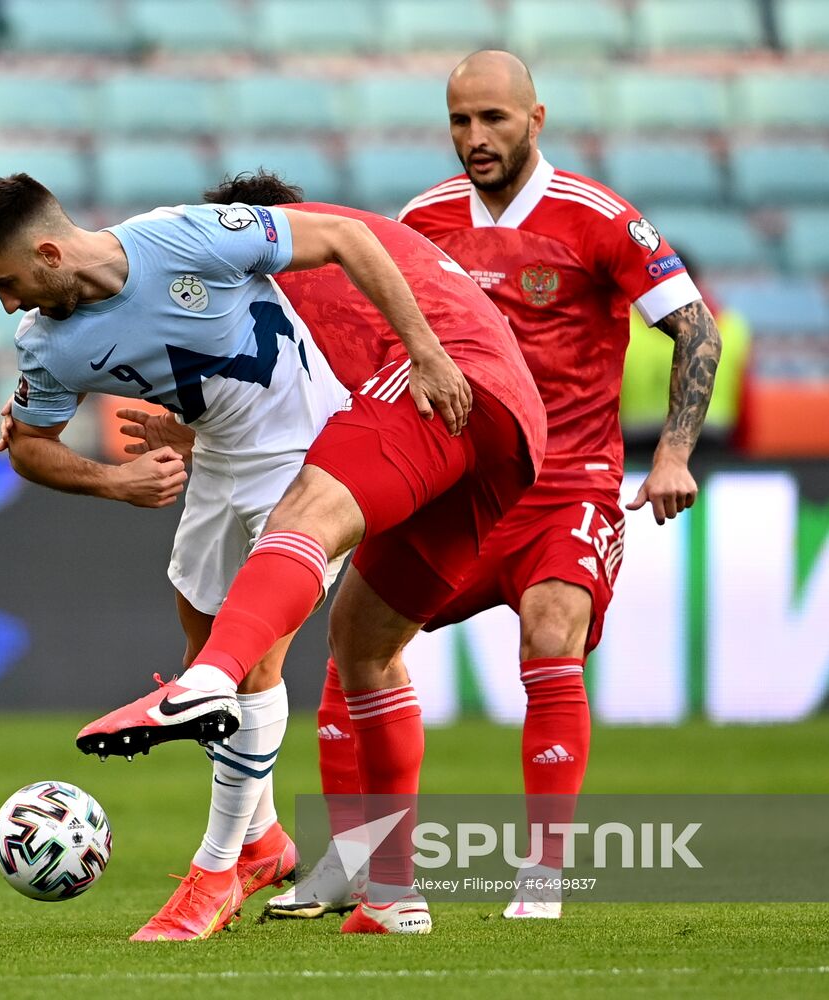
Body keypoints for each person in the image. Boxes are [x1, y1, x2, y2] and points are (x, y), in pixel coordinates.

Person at [0, 173, 474, 940]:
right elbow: (29, 448)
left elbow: (347, 238)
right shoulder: (47, 344)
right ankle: (262, 841)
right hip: (222, 462)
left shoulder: (185, 236)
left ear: (51, 251)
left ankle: (214, 873)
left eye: (7, 281)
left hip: (306, 457)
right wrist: (115, 482)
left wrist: (423, 352)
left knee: (246, 668)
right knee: (203, 661)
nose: (7, 304)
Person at [280, 49, 721, 921]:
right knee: (353, 642)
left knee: (550, 630)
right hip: (453, 481)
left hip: (567, 485)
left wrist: (672, 453)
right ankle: (353, 857)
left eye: (492, 119)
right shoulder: (422, 217)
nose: (473, 138)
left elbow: (694, 327)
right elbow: (371, 337)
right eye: (458, 121)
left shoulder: (597, 218)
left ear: (535, 119)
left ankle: (542, 874)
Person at [78, 171, 549, 931]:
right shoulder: (336, 259)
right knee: (361, 643)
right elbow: (283, 384)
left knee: (303, 515)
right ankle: (392, 894)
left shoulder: (277, 257)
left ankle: (205, 683)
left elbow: (301, 405)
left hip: (441, 383)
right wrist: (198, 433)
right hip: (514, 430)